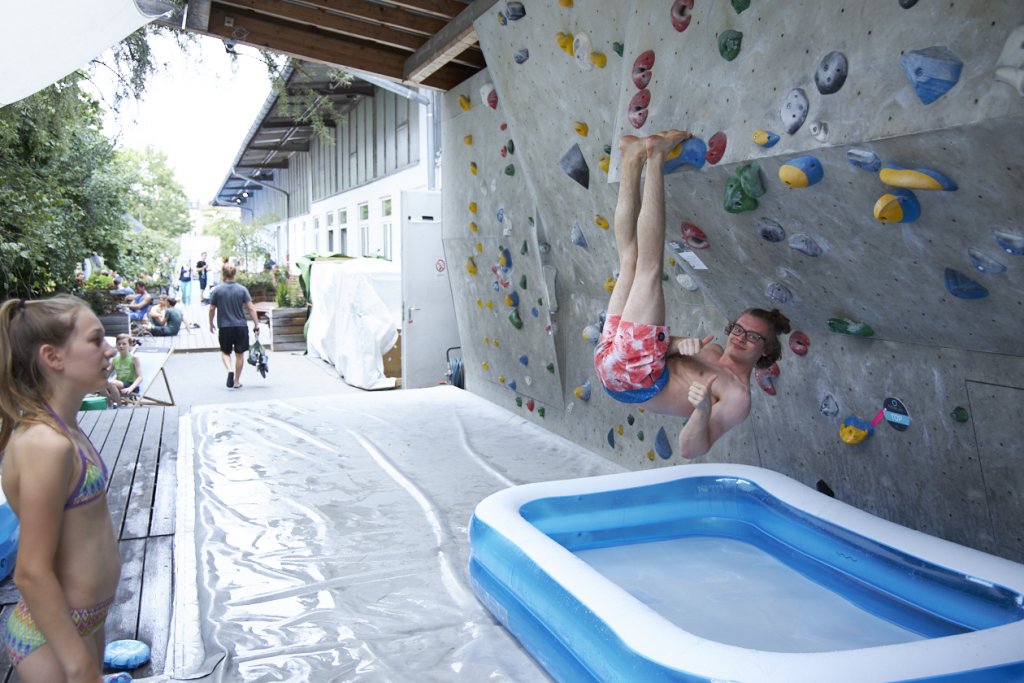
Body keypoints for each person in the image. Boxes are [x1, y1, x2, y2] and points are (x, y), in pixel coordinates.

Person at [594, 131, 791, 459]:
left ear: (767, 350)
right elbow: (662, 352)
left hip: (634, 379)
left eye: (752, 337)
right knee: (629, 261)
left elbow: (691, 449)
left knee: (649, 267)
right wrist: (677, 342)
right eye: (738, 329)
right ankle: (631, 159)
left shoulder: (738, 397)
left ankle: (655, 156)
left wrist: (701, 410)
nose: (739, 338)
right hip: (614, 363)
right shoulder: (711, 351)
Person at [0, 295, 122, 682]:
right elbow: (31, 572)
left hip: (85, 623)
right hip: (54, 638)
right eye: (95, 340)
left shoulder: (65, 428)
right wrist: (78, 663)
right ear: (53, 357)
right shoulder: (45, 444)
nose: (110, 348)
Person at [208, 265, 260, 389]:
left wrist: (211, 323)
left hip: (225, 326)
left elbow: (211, 308)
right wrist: (256, 324)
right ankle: (236, 381)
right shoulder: (242, 290)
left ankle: (229, 370)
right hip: (240, 326)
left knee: (225, 352)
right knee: (239, 354)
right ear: (234, 274)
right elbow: (251, 307)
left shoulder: (217, 290)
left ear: (223, 274)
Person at [108, 333, 143, 399]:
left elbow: (140, 377)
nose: (121, 346)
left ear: (130, 345)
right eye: (119, 344)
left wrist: (130, 388)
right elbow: (106, 373)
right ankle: (110, 405)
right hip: (118, 384)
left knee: (110, 382)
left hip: (131, 385)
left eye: (124, 344)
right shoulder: (115, 359)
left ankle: (118, 405)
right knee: (101, 384)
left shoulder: (134, 358)